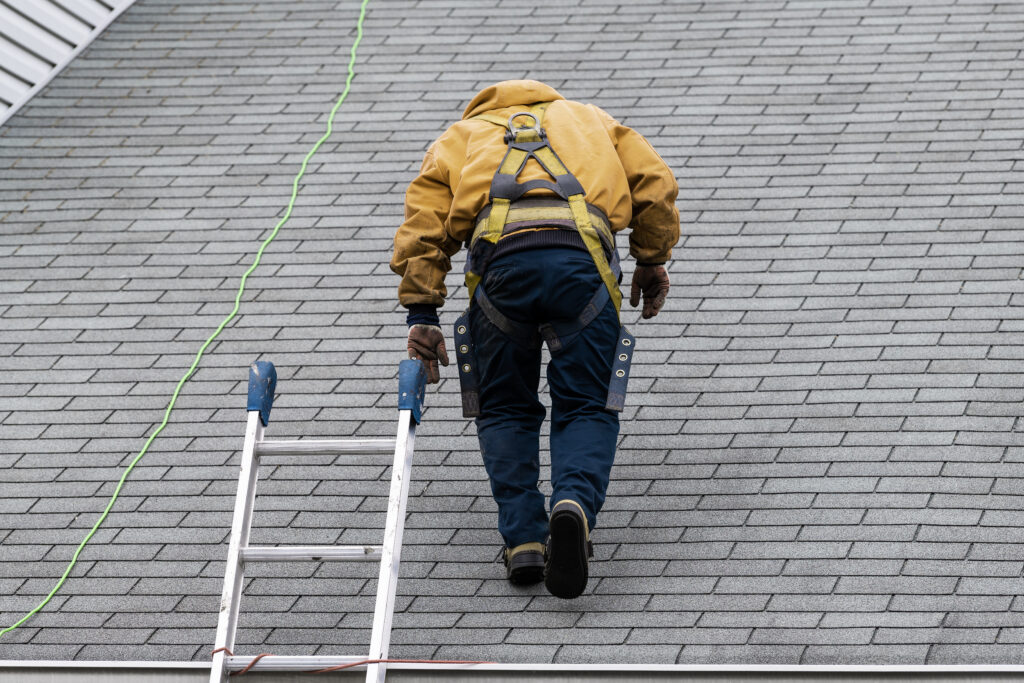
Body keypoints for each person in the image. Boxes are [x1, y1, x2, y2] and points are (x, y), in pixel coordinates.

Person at [390, 80, 679, 599]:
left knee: (503, 407)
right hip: (581, 268)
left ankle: (524, 537)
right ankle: (573, 506)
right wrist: (651, 259)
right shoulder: (591, 121)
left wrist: (423, 311)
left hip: (502, 272)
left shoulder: (462, 135)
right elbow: (654, 183)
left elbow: (423, 226)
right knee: (587, 404)